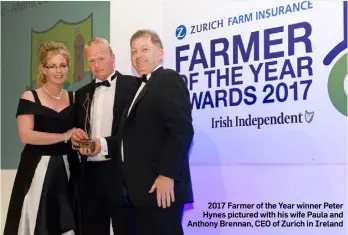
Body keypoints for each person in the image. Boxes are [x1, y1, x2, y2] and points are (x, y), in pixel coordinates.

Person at [119, 29, 194, 235]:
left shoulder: (168, 79)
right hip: (141, 191)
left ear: (160, 53)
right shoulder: (140, 87)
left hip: (160, 189)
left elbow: (181, 130)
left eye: (145, 49)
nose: (138, 56)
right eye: (134, 51)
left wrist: (167, 175)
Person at [4, 42, 80, 235]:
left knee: (67, 220)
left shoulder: (74, 98)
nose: (58, 71)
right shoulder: (30, 97)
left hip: (68, 170)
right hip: (36, 171)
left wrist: (84, 140)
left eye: (63, 65)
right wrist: (63, 136)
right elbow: (25, 135)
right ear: (42, 69)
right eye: (52, 66)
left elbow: (78, 134)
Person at [70, 37, 139, 235]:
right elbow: (78, 129)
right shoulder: (81, 94)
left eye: (101, 58)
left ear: (113, 57)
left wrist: (103, 144)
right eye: (91, 60)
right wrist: (76, 138)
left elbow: (135, 133)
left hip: (122, 172)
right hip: (89, 173)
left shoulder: (133, 86)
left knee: (126, 228)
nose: (96, 64)